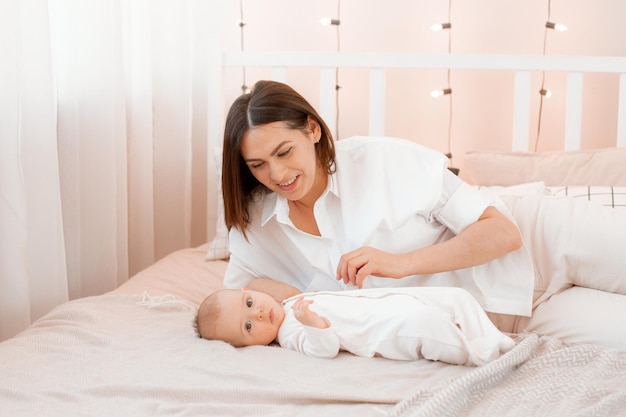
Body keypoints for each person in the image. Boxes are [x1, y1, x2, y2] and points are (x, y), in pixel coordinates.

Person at [220, 79, 626, 346]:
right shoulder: (255, 228)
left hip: (544, 240)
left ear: (312, 129)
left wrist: (401, 264)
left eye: (284, 152)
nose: (278, 174)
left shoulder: (379, 159)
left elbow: (504, 233)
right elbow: (230, 303)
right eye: (258, 165)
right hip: (508, 320)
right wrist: (294, 300)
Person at [197, 286, 515, 366]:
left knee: (455, 296)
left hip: (388, 305)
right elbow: (324, 349)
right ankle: (480, 354)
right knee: (425, 325)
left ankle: (496, 337)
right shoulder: (290, 333)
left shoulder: (287, 305)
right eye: (248, 327)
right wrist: (313, 325)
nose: (259, 314)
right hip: (383, 330)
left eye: (250, 303)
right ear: (253, 345)